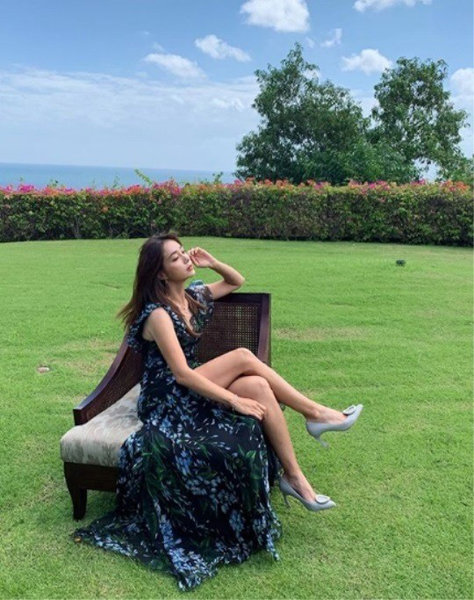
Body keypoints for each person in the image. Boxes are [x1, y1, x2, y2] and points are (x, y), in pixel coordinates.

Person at [72, 231, 363, 591]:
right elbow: (181, 374)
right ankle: (315, 415)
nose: (186, 259)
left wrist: (211, 262)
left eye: (184, 252)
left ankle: (294, 476)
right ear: (160, 273)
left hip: (191, 382)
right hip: (167, 397)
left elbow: (236, 281)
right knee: (242, 357)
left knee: (258, 386)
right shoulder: (158, 314)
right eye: (176, 257)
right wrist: (232, 400)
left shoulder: (193, 297)